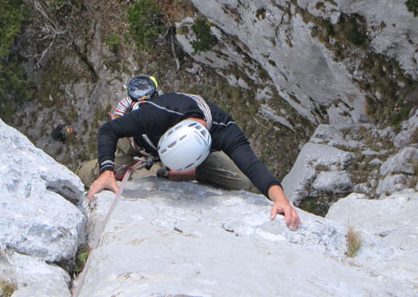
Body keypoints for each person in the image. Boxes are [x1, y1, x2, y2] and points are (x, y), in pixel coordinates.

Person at [82, 85, 302, 231]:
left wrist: (280, 199)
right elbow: (109, 130)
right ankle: (96, 169)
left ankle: (170, 173)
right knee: (88, 174)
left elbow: (252, 166)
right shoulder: (158, 113)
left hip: (174, 157)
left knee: (240, 179)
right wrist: (107, 171)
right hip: (134, 139)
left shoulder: (224, 130)